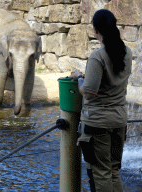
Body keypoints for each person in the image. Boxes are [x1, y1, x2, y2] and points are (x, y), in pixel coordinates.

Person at [69, 9, 133, 192]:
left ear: (96, 30)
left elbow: (88, 92)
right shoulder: (126, 52)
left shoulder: (98, 56)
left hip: (98, 123)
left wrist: (80, 77)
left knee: (101, 172)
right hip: (119, 120)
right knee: (113, 170)